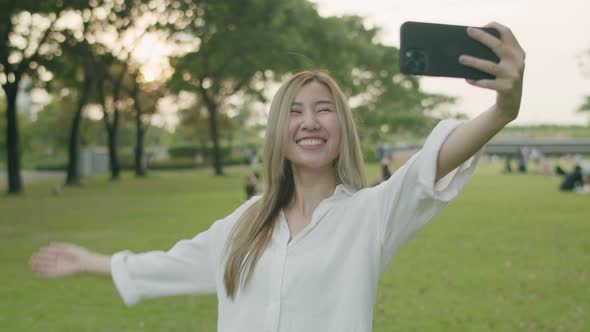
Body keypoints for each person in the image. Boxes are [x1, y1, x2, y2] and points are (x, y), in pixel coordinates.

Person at [30, 22, 525, 332]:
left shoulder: (371, 214)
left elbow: (430, 164)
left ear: (342, 127)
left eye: (324, 110)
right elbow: (170, 265)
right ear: (278, 132)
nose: (309, 122)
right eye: (296, 112)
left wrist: (502, 109)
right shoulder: (245, 224)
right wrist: (88, 261)